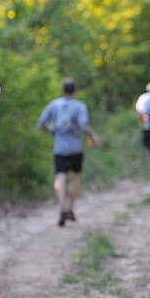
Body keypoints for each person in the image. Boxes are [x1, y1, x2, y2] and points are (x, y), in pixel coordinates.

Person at [36, 77, 100, 226]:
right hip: (76, 147)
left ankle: (62, 205)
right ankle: (70, 208)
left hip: (60, 148)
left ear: (62, 90)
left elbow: (41, 124)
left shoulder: (54, 105)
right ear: (75, 90)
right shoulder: (79, 106)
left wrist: (51, 131)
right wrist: (93, 137)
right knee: (75, 177)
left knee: (60, 177)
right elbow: (83, 126)